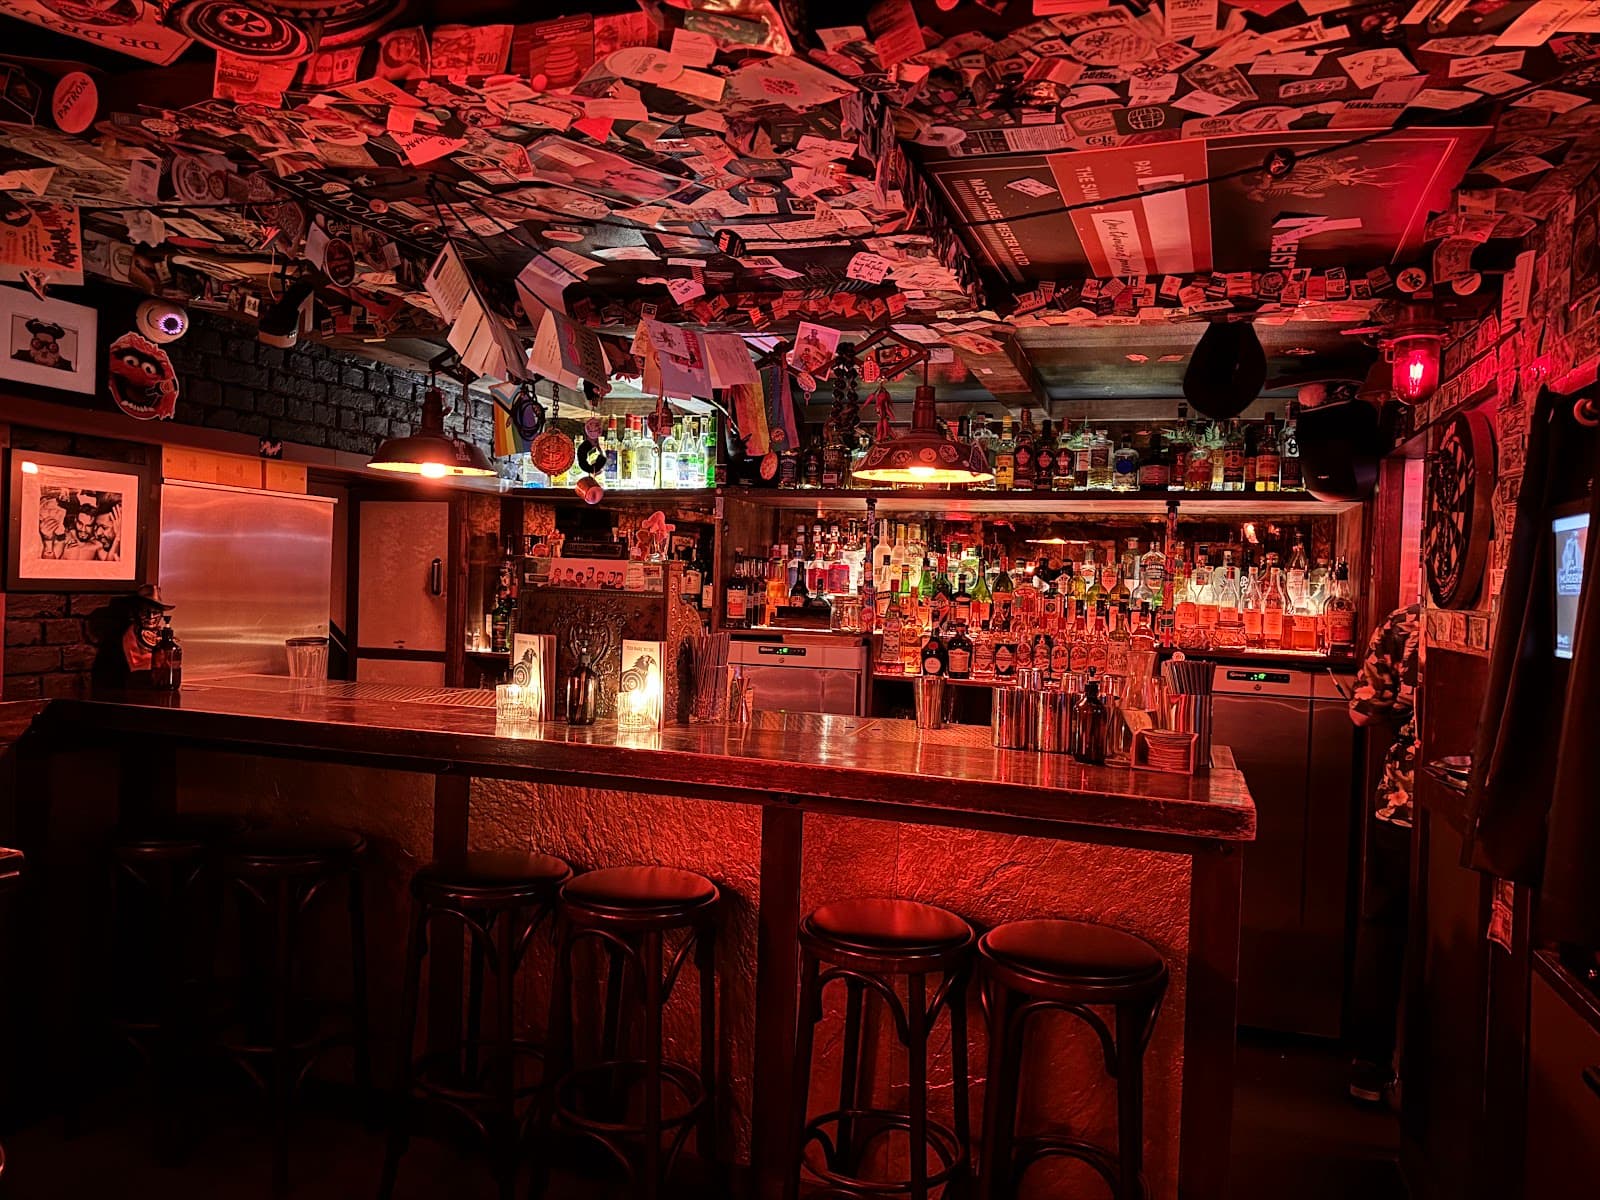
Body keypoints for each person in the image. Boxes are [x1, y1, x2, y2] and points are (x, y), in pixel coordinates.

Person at [1347, 601, 1421, 1104]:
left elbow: (1360, 712)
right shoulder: (1512, 614)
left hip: (1403, 800)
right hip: (1471, 805)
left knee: (1384, 928)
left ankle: (1370, 1071)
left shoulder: (1403, 622)